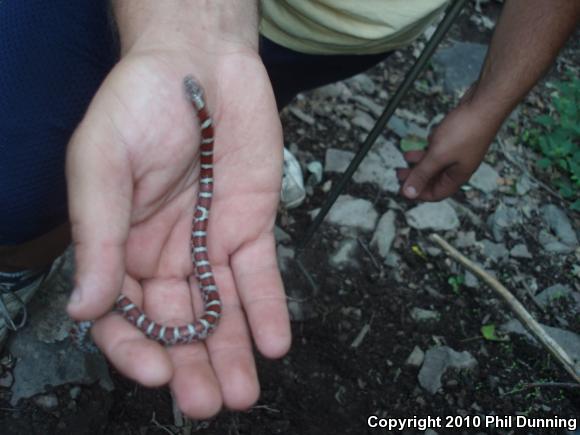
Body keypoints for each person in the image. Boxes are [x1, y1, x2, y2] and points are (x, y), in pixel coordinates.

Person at [0, 0, 578, 419]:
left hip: (333, 42)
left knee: (250, 108)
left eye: (200, 107)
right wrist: (189, 23)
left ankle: (250, 148)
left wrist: (489, 99)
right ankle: (30, 255)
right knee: (20, 188)